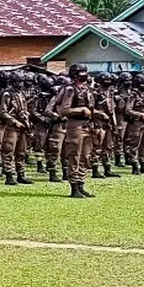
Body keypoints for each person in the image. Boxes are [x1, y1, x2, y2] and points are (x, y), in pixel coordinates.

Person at [58, 64, 95, 198]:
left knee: (85, 157)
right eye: (81, 72)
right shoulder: (70, 90)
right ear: (74, 74)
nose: (84, 74)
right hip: (75, 126)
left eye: (85, 71)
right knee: (74, 155)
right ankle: (74, 187)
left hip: (87, 126)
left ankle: (81, 184)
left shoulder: (88, 89)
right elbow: (64, 110)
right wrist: (81, 110)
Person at [0, 71, 33, 185]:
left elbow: (25, 110)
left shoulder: (21, 93)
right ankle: (9, 175)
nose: (21, 83)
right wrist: (14, 121)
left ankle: (21, 174)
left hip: (22, 126)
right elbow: (3, 112)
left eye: (22, 81)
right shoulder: (7, 94)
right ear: (13, 82)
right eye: (18, 81)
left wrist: (27, 122)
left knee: (21, 151)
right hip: (11, 127)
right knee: (8, 150)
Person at [124, 74, 144, 175]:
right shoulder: (133, 95)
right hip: (136, 123)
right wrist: (140, 114)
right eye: (143, 84)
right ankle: (135, 165)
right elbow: (128, 110)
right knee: (134, 144)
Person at [91, 72, 120, 178]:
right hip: (98, 122)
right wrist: (100, 114)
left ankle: (107, 168)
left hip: (109, 123)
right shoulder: (94, 93)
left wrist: (115, 125)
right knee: (97, 146)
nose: (108, 82)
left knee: (108, 146)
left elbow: (112, 110)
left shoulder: (110, 93)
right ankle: (95, 168)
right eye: (105, 80)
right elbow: (90, 109)